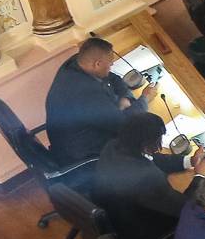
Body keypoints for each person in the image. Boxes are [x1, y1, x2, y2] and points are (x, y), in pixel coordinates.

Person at [94, 110, 204, 239]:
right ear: (145, 145)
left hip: (117, 214)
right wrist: (201, 177)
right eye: (157, 142)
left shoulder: (114, 146)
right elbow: (186, 208)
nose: (159, 148)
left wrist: (190, 161)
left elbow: (150, 159)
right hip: (142, 232)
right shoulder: (149, 178)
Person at [45, 35, 140, 166]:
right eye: (109, 64)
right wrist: (144, 99)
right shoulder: (85, 92)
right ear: (97, 64)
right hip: (82, 154)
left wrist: (126, 96)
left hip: (71, 138)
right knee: (139, 134)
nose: (111, 67)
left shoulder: (75, 63)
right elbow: (123, 125)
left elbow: (112, 78)